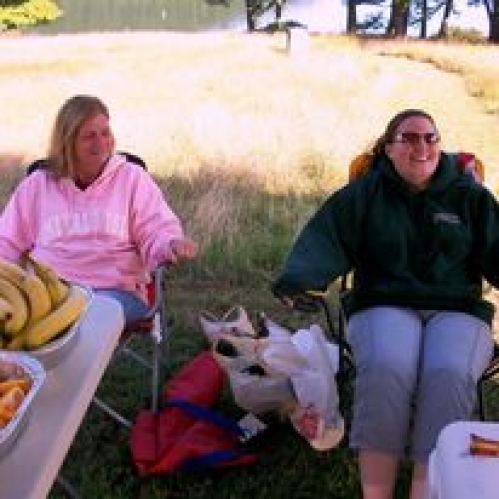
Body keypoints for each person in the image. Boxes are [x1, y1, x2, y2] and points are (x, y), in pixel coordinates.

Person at [272, 109, 499, 498]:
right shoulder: (365, 193)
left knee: (447, 371)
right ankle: (377, 493)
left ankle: (426, 491)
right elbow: (327, 237)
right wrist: (299, 280)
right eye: (408, 138)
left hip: (458, 309)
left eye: (430, 137)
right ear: (389, 148)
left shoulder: (471, 197)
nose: (421, 146)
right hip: (382, 302)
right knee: (386, 365)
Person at [0, 94, 197, 323]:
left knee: (90, 316)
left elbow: (155, 230)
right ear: (67, 142)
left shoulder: (132, 179)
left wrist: (170, 244)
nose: (101, 142)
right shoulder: (38, 185)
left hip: (115, 294)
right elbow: (6, 241)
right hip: (50, 295)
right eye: (89, 136)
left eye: (105, 133)